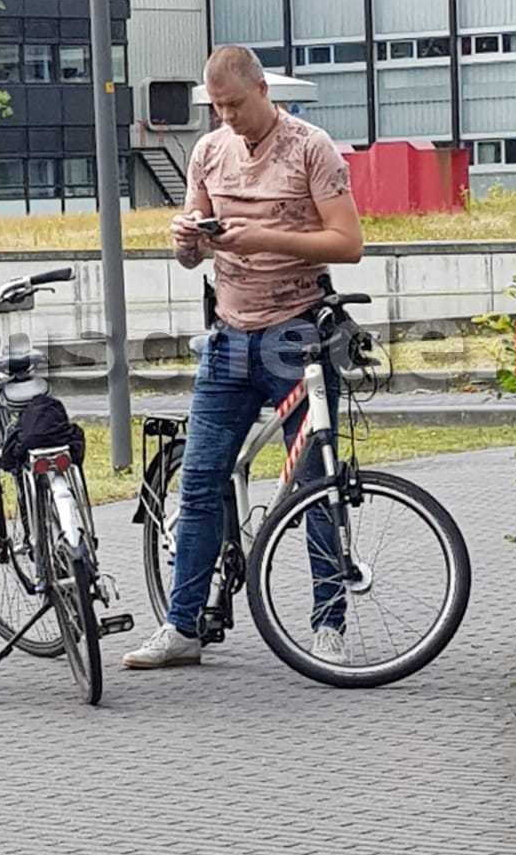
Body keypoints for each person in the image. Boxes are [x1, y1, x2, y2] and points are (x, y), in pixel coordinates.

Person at [123, 45, 365, 672]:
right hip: (229, 332)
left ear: (262, 89)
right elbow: (194, 255)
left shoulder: (311, 147)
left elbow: (349, 242)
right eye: (217, 106)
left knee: (316, 484)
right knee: (201, 478)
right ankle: (182, 626)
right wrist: (185, 242)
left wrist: (263, 238)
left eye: (234, 103)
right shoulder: (207, 151)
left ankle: (328, 623)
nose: (226, 116)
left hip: (297, 333)